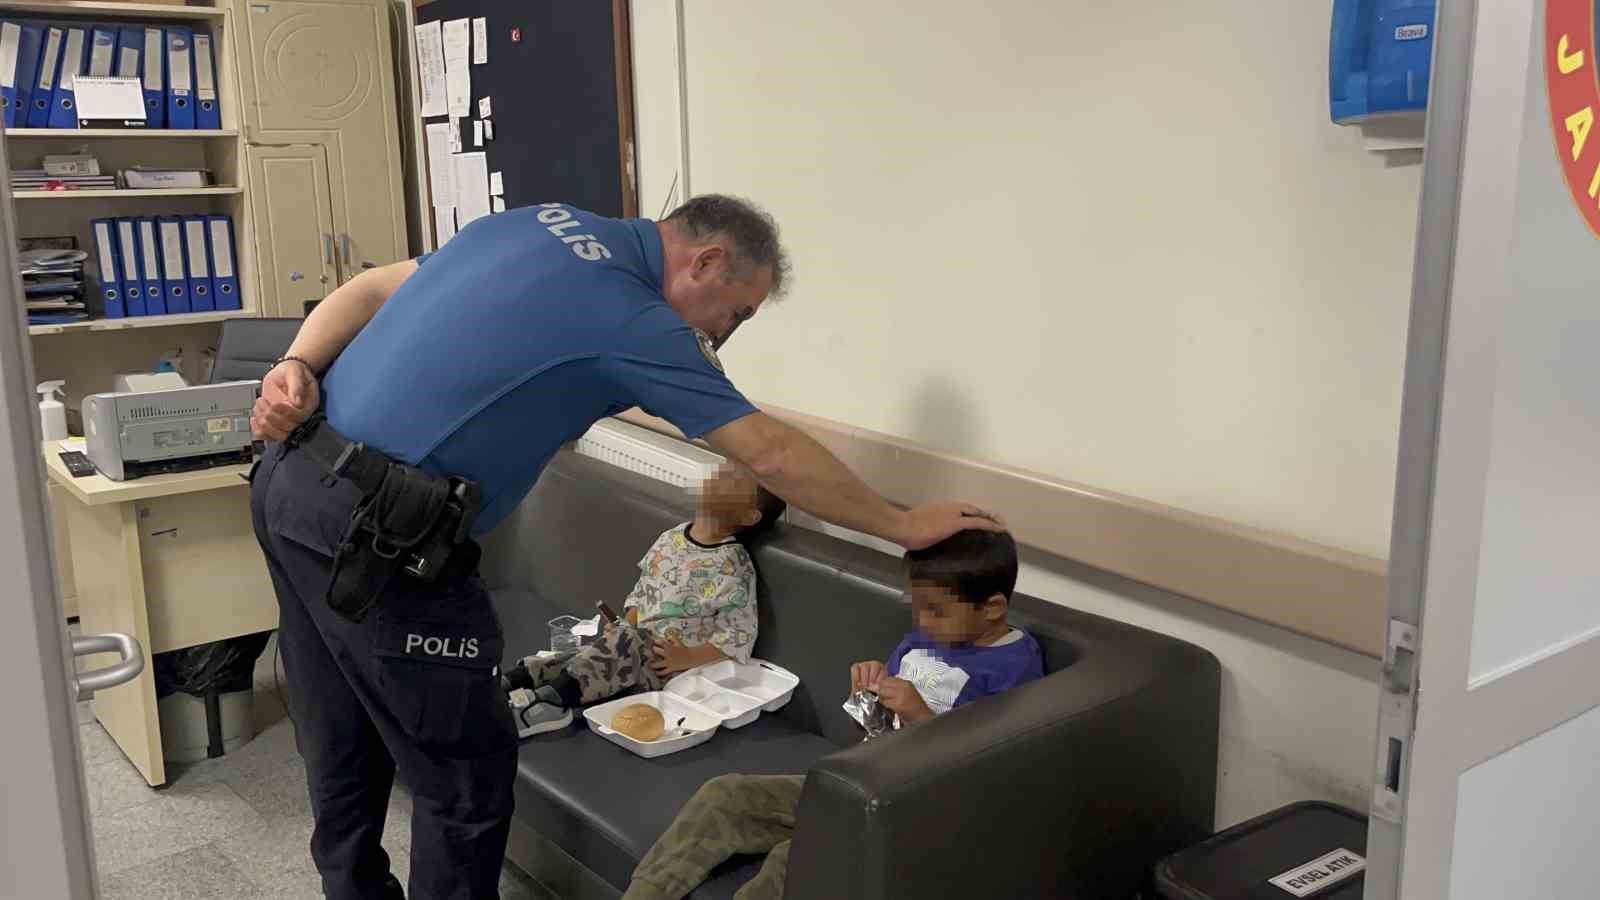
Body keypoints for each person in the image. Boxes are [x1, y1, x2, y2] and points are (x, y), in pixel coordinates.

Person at [248, 194, 1004, 900]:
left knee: (340, 736)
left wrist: (293, 364)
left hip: (290, 478)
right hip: (380, 541)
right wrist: (904, 525)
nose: (720, 336)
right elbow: (769, 453)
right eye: (735, 314)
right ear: (704, 262)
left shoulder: (533, 222)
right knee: (466, 781)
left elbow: (373, 289)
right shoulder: (635, 318)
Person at [621, 529, 1044, 900]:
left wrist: (921, 716)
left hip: (913, 812)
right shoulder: (923, 639)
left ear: (992, 608)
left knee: (797, 857)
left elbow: (986, 775)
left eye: (935, 610)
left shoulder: (1014, 666)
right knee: (724, 795)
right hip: (856, 783)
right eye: (917, 606)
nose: (922, 621)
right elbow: (869, 734)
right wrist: (869, 696)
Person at [503, 463, 785, 735]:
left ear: (749, 516)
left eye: (734, 481)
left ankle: (550, 705)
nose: (720, 476)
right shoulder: (671, 538)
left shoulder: (733, 564)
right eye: (725, 470)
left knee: (620, 648)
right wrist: (625, 625)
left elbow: (738, 636)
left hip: (667, 669)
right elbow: (642, 591)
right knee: (577, 656)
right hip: (633, 650)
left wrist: (685, 657)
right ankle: (512, 683)